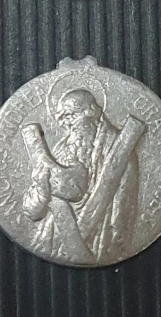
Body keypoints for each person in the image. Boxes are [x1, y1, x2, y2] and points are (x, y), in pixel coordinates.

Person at [22, 89, 140, 263]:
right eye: (62, 119)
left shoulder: (119, 150)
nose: (66, 124)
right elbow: (32, 212)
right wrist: (41, 193)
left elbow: (123, 208)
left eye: (70, 116)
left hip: (100, 238)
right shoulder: (63, 148)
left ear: (91, 112)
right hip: (54, 240)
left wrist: (116, 244)